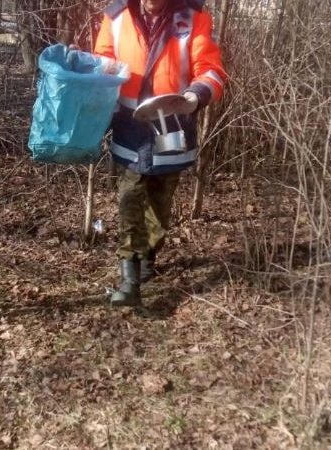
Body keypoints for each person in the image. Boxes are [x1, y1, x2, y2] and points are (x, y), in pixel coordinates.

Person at [94, 0, 226, 307]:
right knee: (129, 198)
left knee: (159, 204)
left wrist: (196, 96)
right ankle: (130, 280)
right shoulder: (115, 16)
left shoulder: (193, 18)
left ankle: (148, 258)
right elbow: (101, 59)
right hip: (129, 127)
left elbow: (210, 69)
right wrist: (102, 71)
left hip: (174, 126)